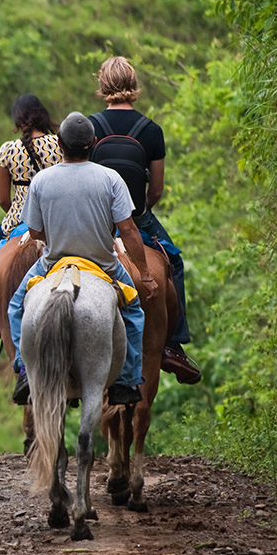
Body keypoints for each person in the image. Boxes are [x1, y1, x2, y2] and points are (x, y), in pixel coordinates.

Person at [8, 112, 158, 407]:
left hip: (53, 263)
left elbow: (36, 231)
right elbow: (127, 229)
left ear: (60, 144)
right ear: (94, 143)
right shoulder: (110, 179)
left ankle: (25, 371)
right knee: (134, 312)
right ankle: (126, 380)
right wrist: (145, 274)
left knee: (15, 307)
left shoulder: (41, 180)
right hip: (103, 265)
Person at [89, 56, 200, 384]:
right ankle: (173, 346)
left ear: (103, 84)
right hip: (137, 218)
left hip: (98, 223)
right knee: (175, 263)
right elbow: (157, 189)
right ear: (134, 85)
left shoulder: (90, 127)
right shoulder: (151, 130)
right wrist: (139, 210)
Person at [0, 94, 62, 339]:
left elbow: (3, 199)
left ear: (18, 120)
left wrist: (18, 215)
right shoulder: (59, 144)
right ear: (42, 115)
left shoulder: (8, 150)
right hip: (54, 220)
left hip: (19, 219)